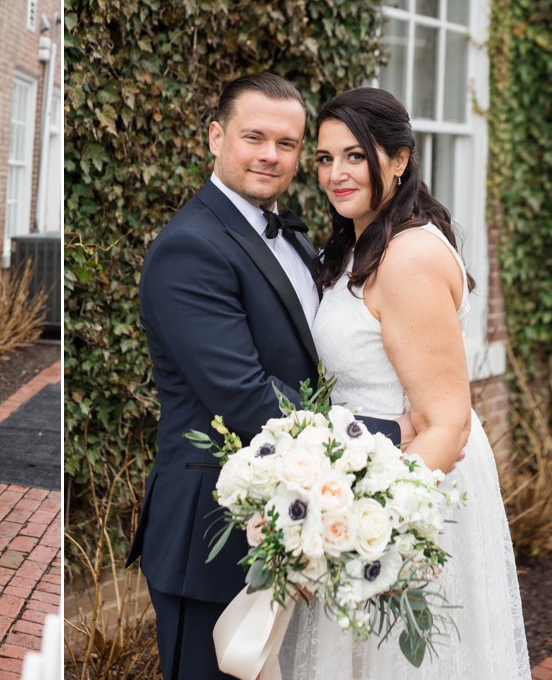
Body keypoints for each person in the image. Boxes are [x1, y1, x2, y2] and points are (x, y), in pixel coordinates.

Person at [127, 73, 405, 679]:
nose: (270, 156)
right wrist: (389, 435)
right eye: (254, 137)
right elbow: (248, 397)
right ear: (215, 136)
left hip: (294, 521)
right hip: (211, 539)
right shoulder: (190, 249)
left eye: (288, 143)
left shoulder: (301, 240)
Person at [281, 87, 529, 678]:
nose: (335, 174)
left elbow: (448, 424)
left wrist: (362, 533)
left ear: (398, 160)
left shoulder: (409, 257)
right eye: (324, 158)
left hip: (411, 492)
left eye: (354, 156)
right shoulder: (363, 243)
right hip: (364, 473)